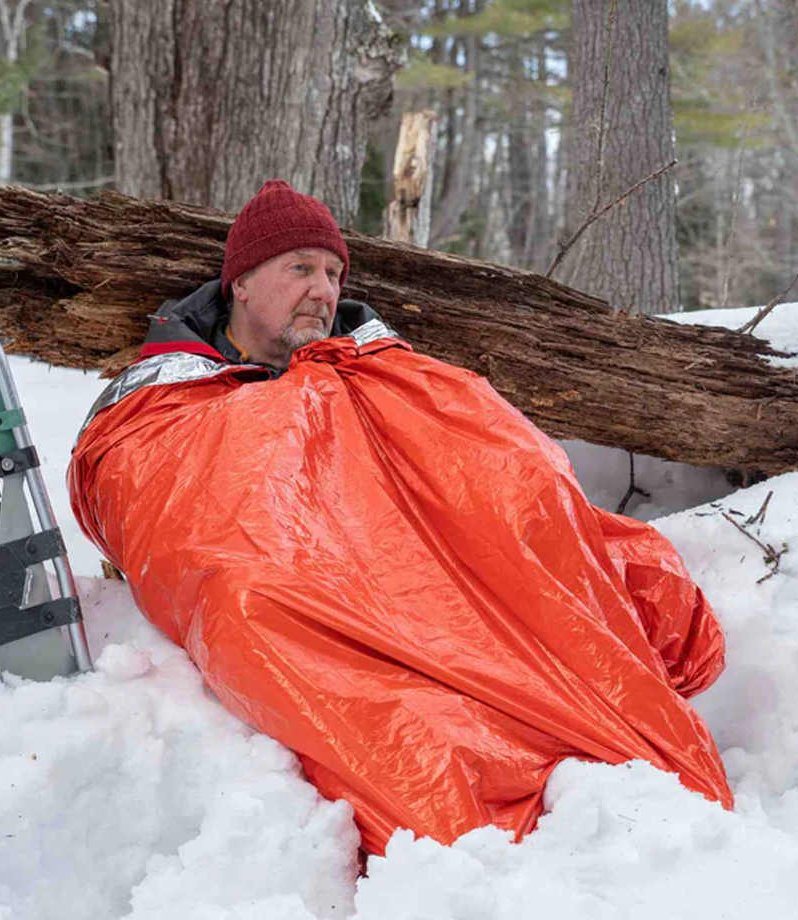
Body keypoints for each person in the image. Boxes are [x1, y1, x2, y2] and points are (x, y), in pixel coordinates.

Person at [70, 179, 733, 857]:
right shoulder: (164, 406)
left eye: (333, 273)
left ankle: (549, 717)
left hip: (456, 596)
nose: (323, 289)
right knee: (253, 601)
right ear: (240, 283)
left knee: (533, 502)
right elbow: (181, 521)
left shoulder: (388, 373)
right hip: (326, 606)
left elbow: (502, 470)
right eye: (299, 268)